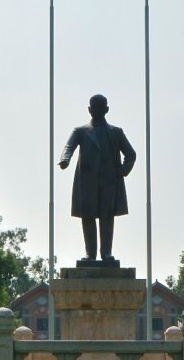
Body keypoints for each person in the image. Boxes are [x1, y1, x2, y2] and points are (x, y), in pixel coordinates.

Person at [58, 94, 137, 263]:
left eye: (101, 108)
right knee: (88, 217)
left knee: (107, 217)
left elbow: (130, 153)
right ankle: (90, 255)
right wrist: (65, 159)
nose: (97, 111)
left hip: (109, 183)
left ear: (106, 110)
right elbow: (69, 146)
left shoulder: (116, 132)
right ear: (89, 109)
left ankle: (106, 253)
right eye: (94, 107)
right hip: (87, 181)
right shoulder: (80, 131)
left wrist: (122, 171)